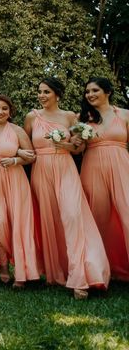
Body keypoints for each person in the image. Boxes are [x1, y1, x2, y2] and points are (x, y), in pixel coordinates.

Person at [24, 77, 110, 299]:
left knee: (73, 215)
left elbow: (77, 149)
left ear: (57, 94)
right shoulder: (32, 117)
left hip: (66, 168)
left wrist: (68, 145)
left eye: (46, 92)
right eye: (39, 92)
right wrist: (20, 156)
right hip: (41, 171)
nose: (41, 95)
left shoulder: (71, 117)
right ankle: (58, 272)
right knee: (51, 220)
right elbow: (25, 148)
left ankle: (81, 278)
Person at [0, 95, 39, 287]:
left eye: (4, 108)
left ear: (10, 112)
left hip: (15, 180)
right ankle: (3, 265)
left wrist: (15, 158)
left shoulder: (17, 130)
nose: (0, 112)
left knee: (18, 224)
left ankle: (22, 273)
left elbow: (32, 156)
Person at [76, 77, 129, 281]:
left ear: (107, 92)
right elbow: (79, 149)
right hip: (93, 167)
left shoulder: (124, 115)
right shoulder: (83, 119)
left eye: (95, 90)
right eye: (87, 91)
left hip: (121, 166)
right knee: (99, 217)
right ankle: (102, 269)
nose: (90, 94)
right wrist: (76, 140)